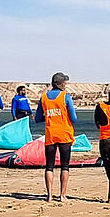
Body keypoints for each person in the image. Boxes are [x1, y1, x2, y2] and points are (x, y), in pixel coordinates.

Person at [35, 72, 77, 202]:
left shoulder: (43, 98)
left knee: (49, 166)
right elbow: (74, 118)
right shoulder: (66, 97)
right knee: (65, 166)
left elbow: (37, 119)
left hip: (50, 134)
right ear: (61, 84)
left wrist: (49, 116)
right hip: (64, 134)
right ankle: (62, 195)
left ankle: (49, 196)